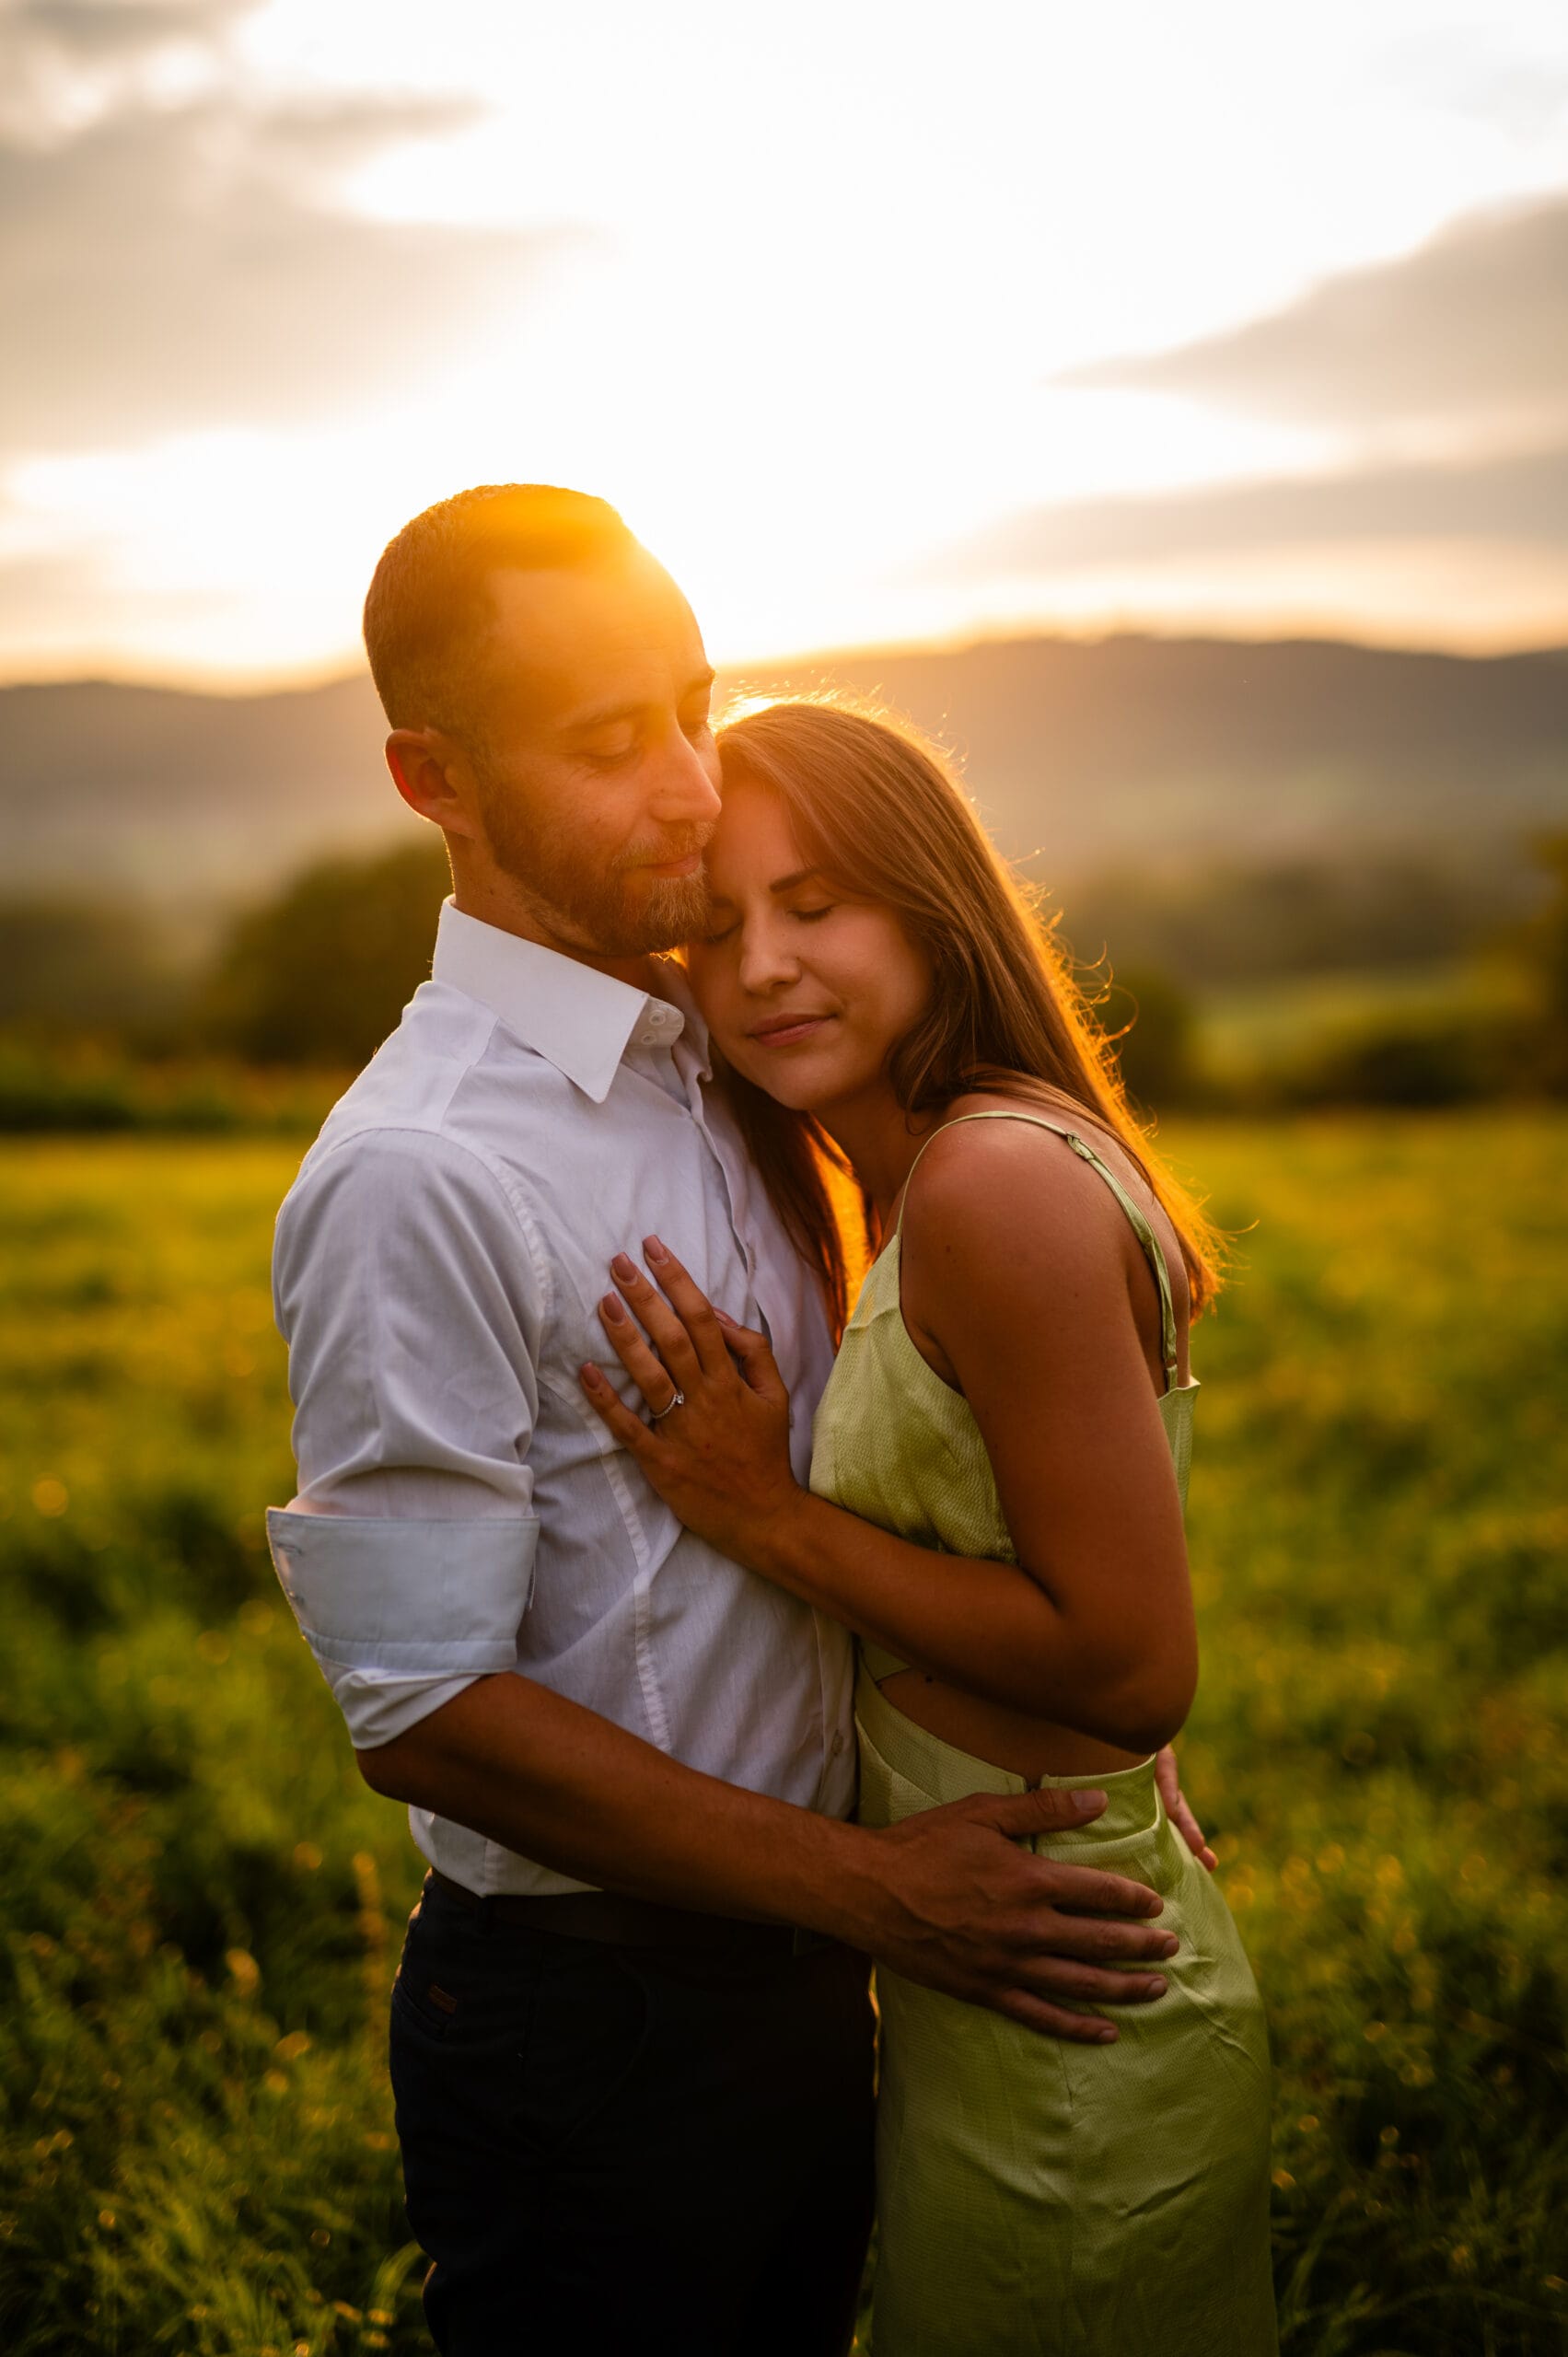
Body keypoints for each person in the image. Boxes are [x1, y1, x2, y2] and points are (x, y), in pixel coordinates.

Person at [265, 485, 1209, 2357]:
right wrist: (875, 1887)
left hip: (833, 1972)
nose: (694, 784)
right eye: (611, 743)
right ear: (433, 778)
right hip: (594, 2019)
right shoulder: (421, 1170)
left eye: (692, 707)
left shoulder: (727, 1061)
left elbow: (891, 1478)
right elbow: (425, 1710)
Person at [580, 697, 1278, 2355]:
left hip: (1064, 2002)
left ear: (930, 899)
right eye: (719, 925)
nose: (760, 968)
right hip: (991, 1960)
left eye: (816, 905)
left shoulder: (989, 1186)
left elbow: (1128, 1663)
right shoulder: (894, 1187)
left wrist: (765, 1514)